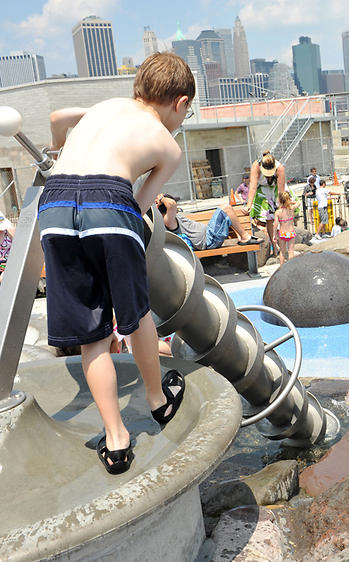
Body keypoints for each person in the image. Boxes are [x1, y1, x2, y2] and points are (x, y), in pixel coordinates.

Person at [38, 52, 193, 474]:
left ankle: (116, 438)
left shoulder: (106, 108)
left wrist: (57, 150)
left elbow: (58, 115)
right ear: (178, 103)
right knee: (134, 315)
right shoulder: (168, 144)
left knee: (91, 335)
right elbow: (138, 206)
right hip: (110, 201)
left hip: (53, 204)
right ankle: (158, 400)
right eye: (186, 111)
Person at [157, 194, 256, 249]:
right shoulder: (168, 221)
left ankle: (240, 236)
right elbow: (172, 204)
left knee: (226, 213)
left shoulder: (172, 218)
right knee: (226, 209)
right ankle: (244, 237)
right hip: (208, 240)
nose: (177, 206)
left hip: (209, 235)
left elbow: (172, 205)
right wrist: (161, 198)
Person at [241, 151, 287, 255]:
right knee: (262, 217)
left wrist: (280, 207)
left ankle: (275, 245)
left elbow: (281, 191)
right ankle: (272, 245)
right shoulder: (256, 165)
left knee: (273, 217)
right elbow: (252, 186)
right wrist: (249, 205)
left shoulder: (280, 168)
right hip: (260, 190)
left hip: (274, 189)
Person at [274, 191, 299, 265]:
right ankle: (290, 267)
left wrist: (274, 236)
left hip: (282, 233)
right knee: (291, 251)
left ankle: (282, 268)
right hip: (291, 232)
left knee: (282, 252)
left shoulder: (278, 212)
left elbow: (275, 225)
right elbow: (298, 203)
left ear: (280, 201)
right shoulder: (291, 209)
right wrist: (291, 202)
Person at [0, 211, 15, 283]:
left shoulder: (9, 231)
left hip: (11, 263)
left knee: (4, 278)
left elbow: (21, 249)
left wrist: (10, 265)